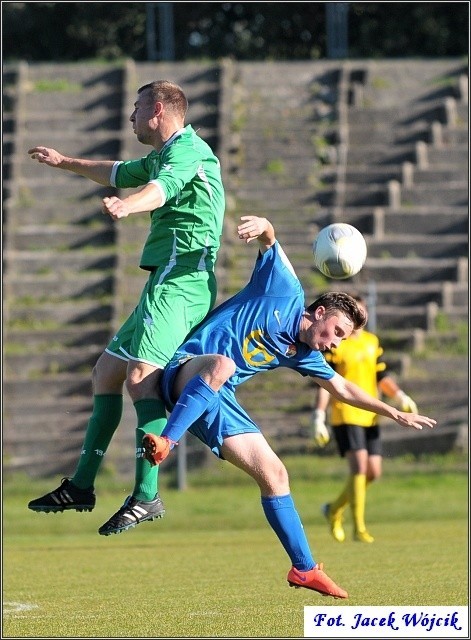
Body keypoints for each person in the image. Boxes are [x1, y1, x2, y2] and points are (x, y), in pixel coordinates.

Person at [141, 215, 436, 599]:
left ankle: (304, 568)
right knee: (223, 365)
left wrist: (394, 412)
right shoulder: (284, 289)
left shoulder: (303, 353)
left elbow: (343, 388)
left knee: (276, 475)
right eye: (337, 333)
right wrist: (264, 225)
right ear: (318, 313)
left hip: (216, 398)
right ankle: (167, 442)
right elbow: (269, 240)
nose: (335, 344)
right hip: (183, 371)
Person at [27, 80, 226, 536]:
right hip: (165, 278)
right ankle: (81, 485)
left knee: (140, 377)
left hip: (182, 278)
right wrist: (65, 162)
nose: (130, 116)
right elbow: (118, 171)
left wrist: (128, 208)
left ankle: (146, 495)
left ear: (157, 109)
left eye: (136, 108)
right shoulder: (165, 153)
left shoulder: (187, 152)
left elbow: (159, 190)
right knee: (107, 373)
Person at [310, 295, 419, 544]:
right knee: (358, 467)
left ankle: (334, 509)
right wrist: (318, 416)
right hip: (346, 412)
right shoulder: (338, 343)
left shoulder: (372, 342)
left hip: (371, 415)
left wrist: (400, 396)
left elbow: (382, 376)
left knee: (374, 472)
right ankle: (359, 528)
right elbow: (326, 382)